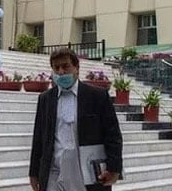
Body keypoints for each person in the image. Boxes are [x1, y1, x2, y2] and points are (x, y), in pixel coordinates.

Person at [29, 48, 123, 191]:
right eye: (56, 68)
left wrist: (114, 168)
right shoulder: (45, 99)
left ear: (77, 68)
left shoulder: (97, 96)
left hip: (85, 172)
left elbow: (113, 135)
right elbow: (38, 138)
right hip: (54, 172)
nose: (61, 72)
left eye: (65, 66)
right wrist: (34, 172)